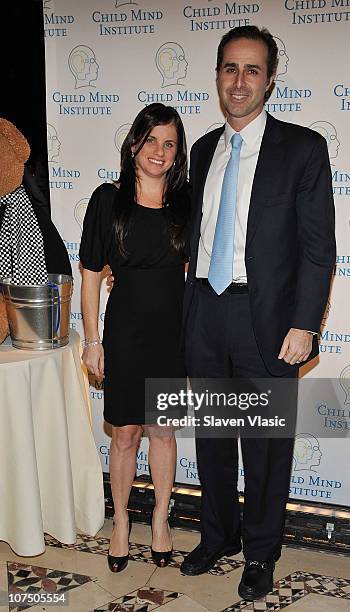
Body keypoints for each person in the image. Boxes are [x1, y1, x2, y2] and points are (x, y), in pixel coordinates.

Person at [180, 26, 336, 601]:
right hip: (206, 313)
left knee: (267, 448)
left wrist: (306, 324)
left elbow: (319, 248)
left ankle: (261, 551)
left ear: (270, 79)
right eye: (229, 68)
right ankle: (217, 535)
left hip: (268, 323)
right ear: (218, 76)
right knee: (214, 440)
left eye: (251, 70)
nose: (238, 81)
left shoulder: (303, 148)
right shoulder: (201, 150)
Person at [79, 103, 190, 573]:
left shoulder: (187, 202)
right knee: (124, 434)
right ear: (133, 145)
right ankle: (121, 521)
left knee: (162, 433)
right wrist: (92, 340)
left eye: (169, 143)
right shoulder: (108, 200)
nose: (159, 152)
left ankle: (161, 519)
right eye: (151, 141)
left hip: (172, 336)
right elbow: (88, 277)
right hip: (123, 334)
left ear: (177, 152)